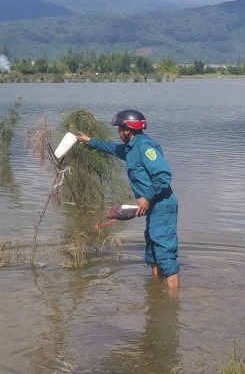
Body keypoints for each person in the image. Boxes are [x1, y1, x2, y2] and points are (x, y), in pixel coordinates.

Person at [76, 109, 179, 293]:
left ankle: (172, 303)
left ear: (128, 130)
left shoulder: (146, 147)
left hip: (163, 207)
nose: (118, 132)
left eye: (120, 128)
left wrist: (147, 197)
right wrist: (90, 141)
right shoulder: (131, 148)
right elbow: (112, 149)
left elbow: (163, 176)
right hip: (153, 208)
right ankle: (155, 294)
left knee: (164, 252)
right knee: (152, 251)